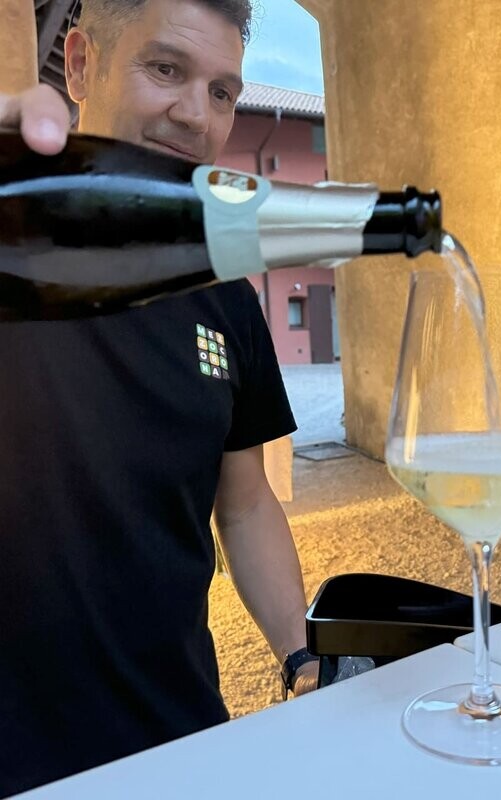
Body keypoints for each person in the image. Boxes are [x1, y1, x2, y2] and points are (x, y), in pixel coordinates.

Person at [0, 1, 318, 796]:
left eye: (222, 92)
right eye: (166, 69)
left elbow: (245, 503)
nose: (195, 116)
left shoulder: (224, 290)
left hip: (178, 740)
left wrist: (303, 656)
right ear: (80, 64)